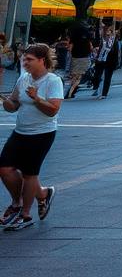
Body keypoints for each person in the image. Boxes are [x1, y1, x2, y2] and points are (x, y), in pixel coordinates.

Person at [0, 44, 62, 232]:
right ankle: (32, 197)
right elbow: (14, 104)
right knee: (4, 168)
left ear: (42, 60)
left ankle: (25, 214)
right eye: (24, 59)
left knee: (29, 174)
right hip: (21, 131)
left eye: (29, 59)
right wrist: (5, 101)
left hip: (42, 134)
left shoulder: (53, 81)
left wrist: (37, 99)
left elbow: (53, 110)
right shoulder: (23, 78)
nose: (25, 62)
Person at [65, 24, 93, 100]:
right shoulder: (87, 37)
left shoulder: (74, 38)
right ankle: (70, 93)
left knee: (74, 77)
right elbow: (91, 47)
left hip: (75, 58)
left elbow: (70, 49)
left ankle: (70, 92)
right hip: (84, 58)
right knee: (79, 78)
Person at [90, 25, 119, 99]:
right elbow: (93, 47)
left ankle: (104, 93)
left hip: (110, 60)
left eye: (108, 31)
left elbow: (116, 52)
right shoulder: (99, 39)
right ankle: (98, 89)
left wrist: (116, 62)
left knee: (107, 77)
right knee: (98, 76)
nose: (106, 32)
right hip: (100, 61)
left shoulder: (113, 40)